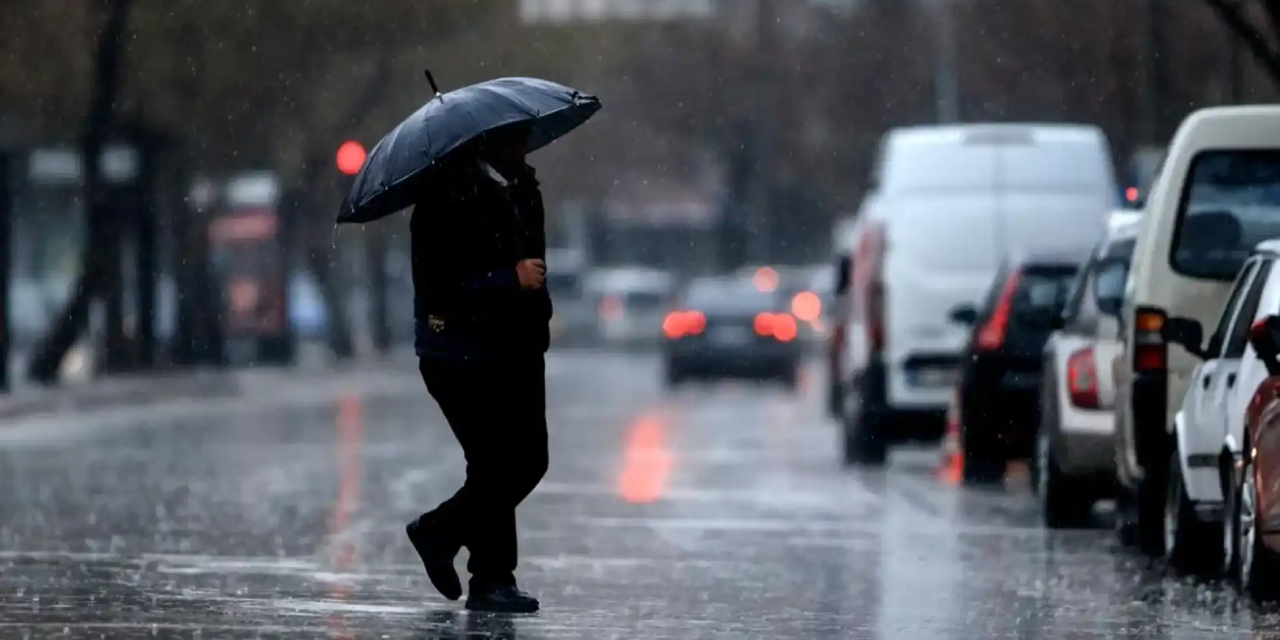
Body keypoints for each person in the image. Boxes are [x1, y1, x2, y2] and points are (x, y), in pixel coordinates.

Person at [404, 122, 551, 614]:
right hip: (461, 354)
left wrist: (536, 313)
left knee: (528, 461)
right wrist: (507, 280)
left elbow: (536, 262)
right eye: (516, 140)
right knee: (496, 465)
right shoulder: (445, 199)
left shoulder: (522, 188)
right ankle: (489, 578)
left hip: (519, 348)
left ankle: (442, 534)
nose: (525, 149)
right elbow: (441, 286)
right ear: (489, 143)